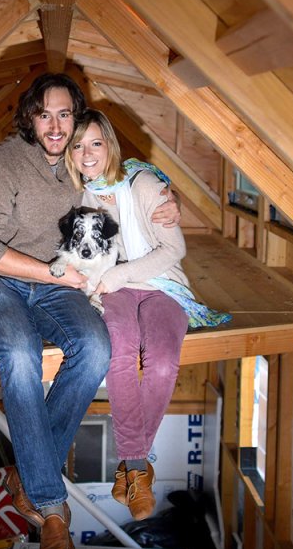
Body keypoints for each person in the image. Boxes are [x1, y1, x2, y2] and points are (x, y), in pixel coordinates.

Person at [0, 75, 179, 549]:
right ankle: (51, 507)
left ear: (76, 118)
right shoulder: (1, 165)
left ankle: (28, 476)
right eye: (45, 115)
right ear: (29, 118)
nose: (56, 126)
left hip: (59, 283)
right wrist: (55, 274)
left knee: (97, 348)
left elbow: (128, 172)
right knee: (20, 356)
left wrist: (168, 200)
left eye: (65, 114)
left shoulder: (78, 164)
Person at [65, 109, 232, 521]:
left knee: (161, 362)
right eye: (78, 146)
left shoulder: (143, 184)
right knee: (119, 352)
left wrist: (118, 274)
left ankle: (131, 464)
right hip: (115, 289)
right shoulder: (82, 197)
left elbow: (174, 250)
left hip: (162, 285)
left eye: (95, 143)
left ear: (110, 145)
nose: (87, 154)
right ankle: (139, 470)